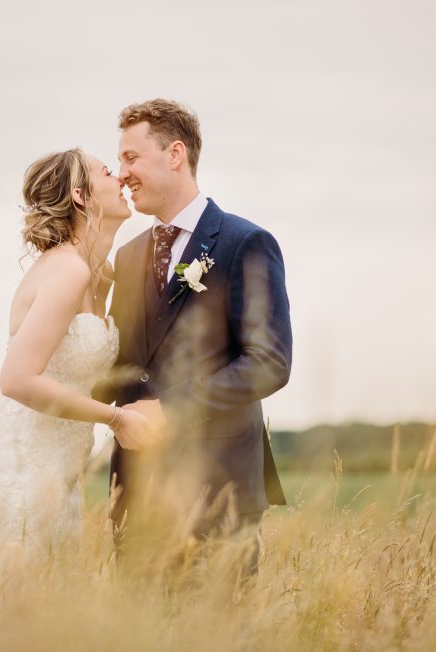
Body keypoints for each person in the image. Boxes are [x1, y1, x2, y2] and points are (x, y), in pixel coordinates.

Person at [101, 99, 291, 571]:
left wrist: (171, 409)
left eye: (130, 157)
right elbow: (122, 367)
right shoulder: (126, 257)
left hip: (219, 491)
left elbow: (269, 362)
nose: (122, 173)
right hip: (137, 494)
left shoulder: (244, 243)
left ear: (175, 154)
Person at [0, 148, 150, 577]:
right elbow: (15, 380)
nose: (121, 177)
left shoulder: (102, 275)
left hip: (61, 463)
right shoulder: (68, 271)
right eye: (108, 171)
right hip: (22, 457)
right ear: (82, 196)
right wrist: (117, 419)